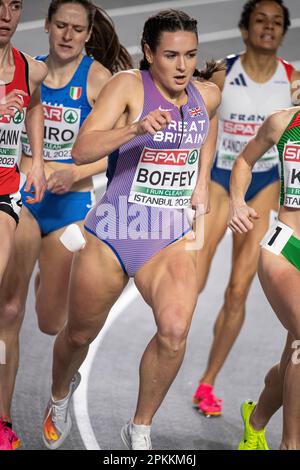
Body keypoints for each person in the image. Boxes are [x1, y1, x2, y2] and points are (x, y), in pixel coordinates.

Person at [42, 9, 221, 450]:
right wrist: (136, 128)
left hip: (170, 236)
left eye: (190, 55)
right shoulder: (127, 87)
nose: (181, 66)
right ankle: (60, 393)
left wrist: (201, 183)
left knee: (175, 330)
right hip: (116, 230)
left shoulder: (206, 95)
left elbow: (208, 126)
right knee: (79, 333)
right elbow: (82, 149)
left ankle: (139, 427)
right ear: (148, 53)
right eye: (171, 56)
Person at [0, 0, 132, 451]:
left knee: (49, 319)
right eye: (60, 25)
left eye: (77, 28)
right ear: (48, 25)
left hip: (71, 207)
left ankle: (66, 373)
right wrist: (31, 165)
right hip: (27, 202)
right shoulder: (31, 72)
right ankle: (4, 419)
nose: (68, 35)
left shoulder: (101, 82)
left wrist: (73, 173)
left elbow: (118, 152)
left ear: (89, 32)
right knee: (9, 311)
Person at [192, 0, 300, 417]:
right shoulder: (224, 71)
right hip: (222, 178)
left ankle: (207, 384)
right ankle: (170, 352)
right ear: (244, 29)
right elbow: (200, 118)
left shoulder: (290, 79)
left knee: (238, 289)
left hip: (267, 185)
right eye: (260, 20)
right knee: (195, 280)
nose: (268, 28)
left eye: (277, 22)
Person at [228, 104, 300, 450]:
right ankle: (291, 444)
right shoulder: (284, 122)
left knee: (293, 359)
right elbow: (244, 161)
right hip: (286, 243)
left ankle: (255, 422)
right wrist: (238, 201)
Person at [0, 0, 47, 451]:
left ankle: (3, 418)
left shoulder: (29, 69)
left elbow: (33, 106)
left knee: (10, 313)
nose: (6, 14)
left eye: (14, 5)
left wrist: (35, 159)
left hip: (4, 193)